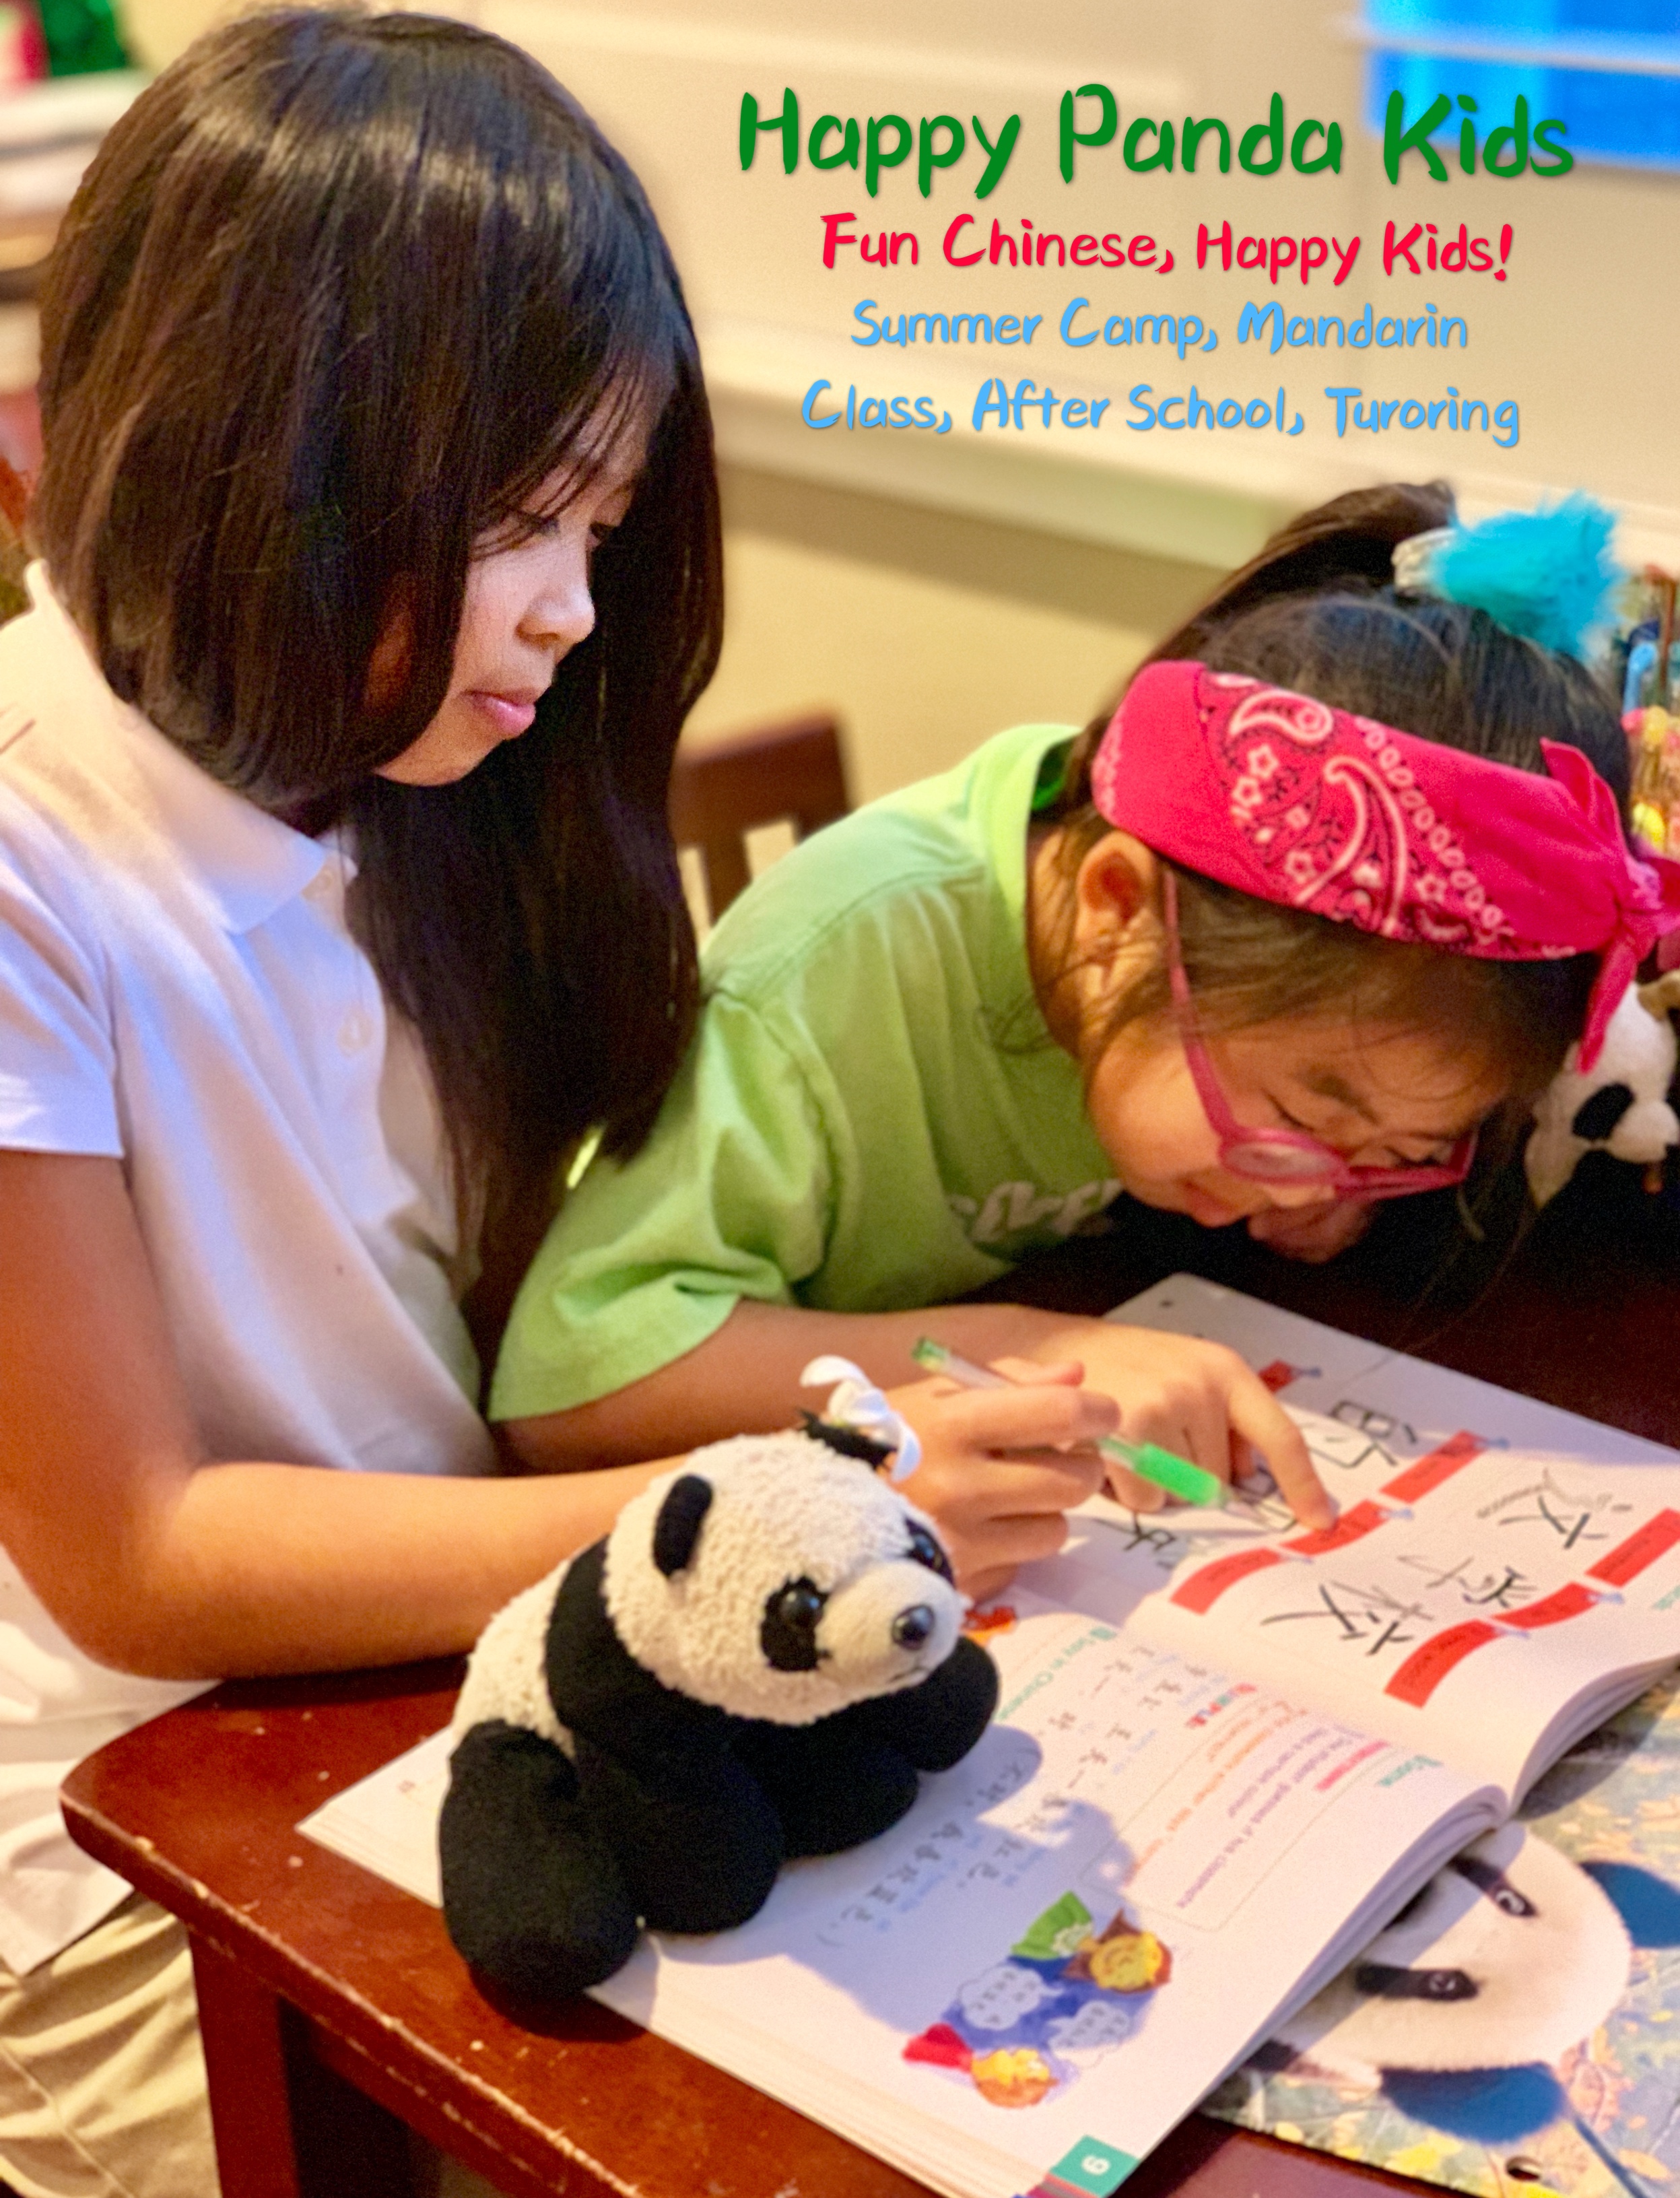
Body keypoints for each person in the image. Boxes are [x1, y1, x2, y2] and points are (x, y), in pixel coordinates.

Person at [0, 13, 1131, 2194]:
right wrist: (753, 1503)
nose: (575, 614)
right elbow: (138, 1555)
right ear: (259, 451)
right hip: (131, 1823)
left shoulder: (437, 785)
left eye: (600, 520)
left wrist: (874, 1417)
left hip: (479, 1661)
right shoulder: (42, 856)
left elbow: (537, 1342)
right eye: (525, 518)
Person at [495, 481, 1680, 1589]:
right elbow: (574, 1385)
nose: (1330, 1168)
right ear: (1116, 911)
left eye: (1397, 1142)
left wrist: (1338, 1186)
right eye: (1311, 1117)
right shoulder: (846, 963)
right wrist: (1023, 1344)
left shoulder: (1198, 930)